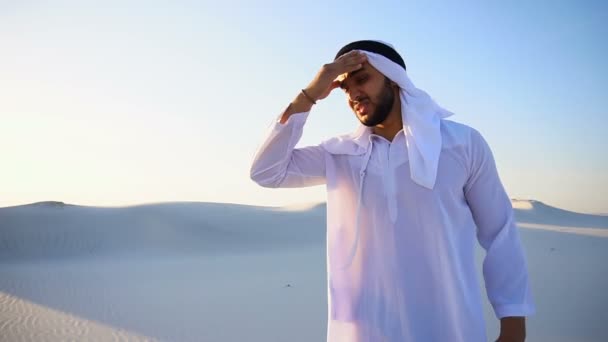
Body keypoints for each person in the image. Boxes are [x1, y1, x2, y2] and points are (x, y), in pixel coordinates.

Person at [250, 40, 535, 342]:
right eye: (345, 88)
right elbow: (266, 171)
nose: (353, 94)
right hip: (365, 332)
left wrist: (513, 325)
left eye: (362, 79)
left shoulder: (461, 144)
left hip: (451, 327)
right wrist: (309, 95)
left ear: (394, 80)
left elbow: (500, 233)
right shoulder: (340, 153)